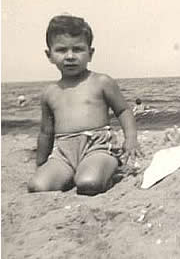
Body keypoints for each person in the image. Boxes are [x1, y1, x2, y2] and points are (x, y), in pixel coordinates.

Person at [27, 15, 142, 196]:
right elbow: (46, 132)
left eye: (78, 49)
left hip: (97, 146)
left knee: (89, 183)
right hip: (63, 152)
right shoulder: (50, 92)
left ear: (90, 53)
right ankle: (74, 173)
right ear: (49, 55)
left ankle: (109, 168)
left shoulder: (101, 81)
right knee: (38, 186)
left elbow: (123, 110)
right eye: (62, 50)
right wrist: (41, 164)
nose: (70, 56)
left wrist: (131, 139)